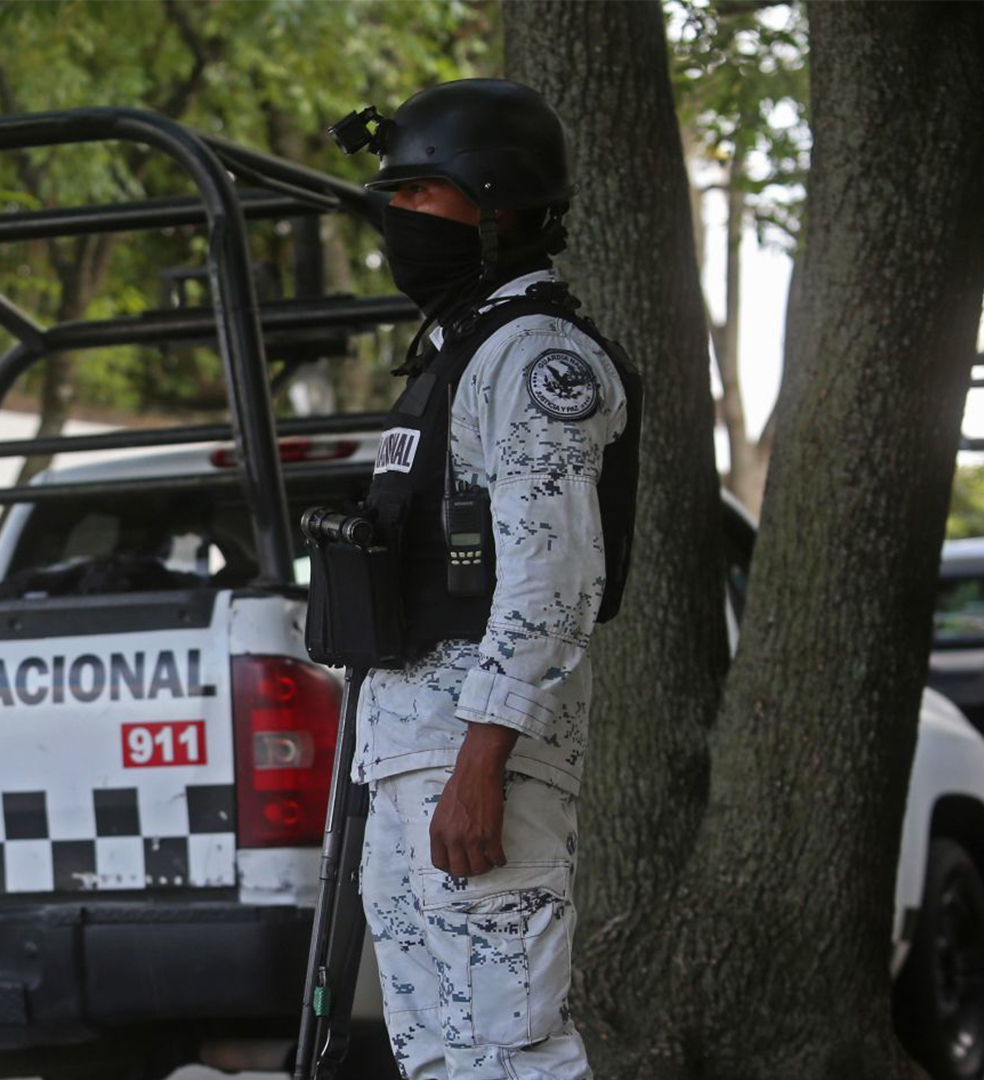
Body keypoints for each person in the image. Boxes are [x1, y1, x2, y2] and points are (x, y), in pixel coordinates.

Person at [328, 79, 642, 1079]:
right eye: (396, 198)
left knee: (511, 1049)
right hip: (416, 751)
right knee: (440, 1050)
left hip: (480, 753)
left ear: (499, 209)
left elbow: (554, 579)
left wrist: (480, 763)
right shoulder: (456, 355)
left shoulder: (535, 355)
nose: (398, 218)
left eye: (423, 196)